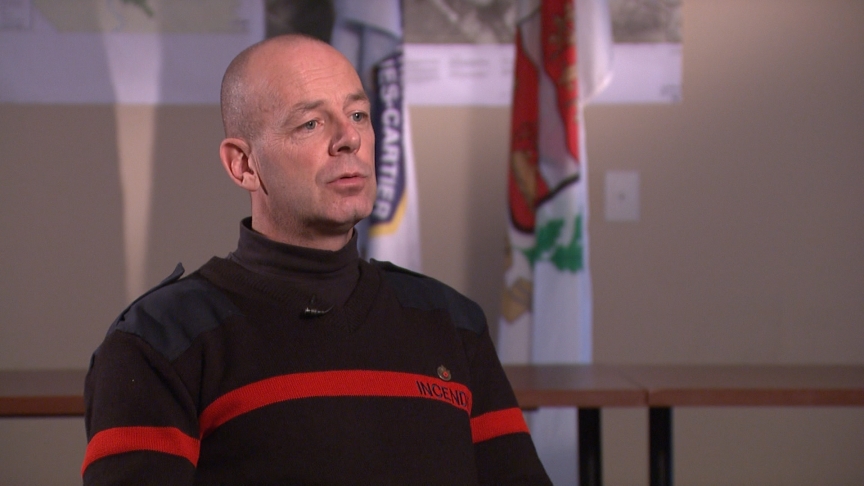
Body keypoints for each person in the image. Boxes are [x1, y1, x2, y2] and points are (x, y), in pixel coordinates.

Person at [82, 34, 551, 485]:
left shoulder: (451, 321)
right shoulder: (160, 339)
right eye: (311, 123)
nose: (349, 138)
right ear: (243, 165)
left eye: (359, 115)